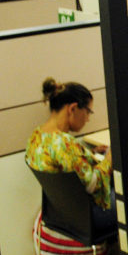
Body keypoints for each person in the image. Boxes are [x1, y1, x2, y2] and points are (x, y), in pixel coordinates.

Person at [26, 78, 114, 231]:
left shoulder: (37, 136)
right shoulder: (66, 144)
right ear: (72, 109)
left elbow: (64, 163)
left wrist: (89, 153)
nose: (88, 119)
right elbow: (94, 184)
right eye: (88, 112)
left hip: (60, 213)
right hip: (86, 218)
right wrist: (110, 157)